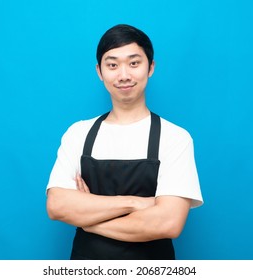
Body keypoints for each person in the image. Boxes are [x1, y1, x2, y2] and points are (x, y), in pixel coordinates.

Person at [46, 24, 203, 260]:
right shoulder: (78, 133)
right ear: (100, 71)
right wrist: (135, 203)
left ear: (151, 67)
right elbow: (57, 206)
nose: (124, 75)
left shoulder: (175, 138)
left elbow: (168, 223)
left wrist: (89, 221)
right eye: (112, 65)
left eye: (134, 63)